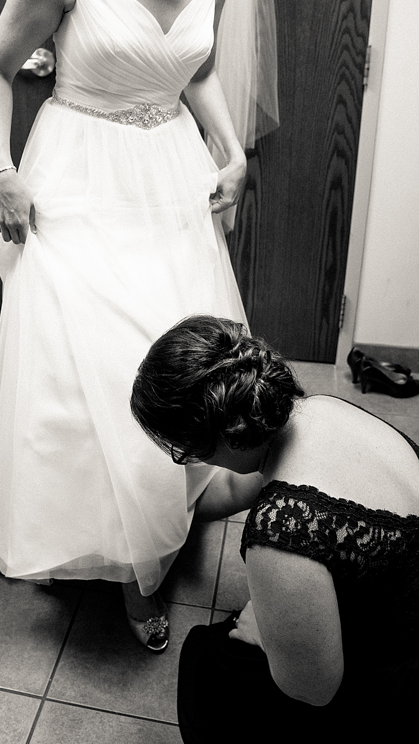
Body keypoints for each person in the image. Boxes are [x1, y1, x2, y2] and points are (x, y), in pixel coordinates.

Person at [0, 0, 251, 651]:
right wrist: (2, 170)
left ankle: (152, 543)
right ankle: (116, 555)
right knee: (93, 376)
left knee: (177, 376)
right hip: (77, 182)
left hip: (170, 181)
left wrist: (232, 149)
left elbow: (191, 67)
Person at [130, 315, 419, 736]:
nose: (192, 461)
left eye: (186, 452)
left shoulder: (280, 533)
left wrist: (264, 633)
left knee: (209, 668)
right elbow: (237, 485)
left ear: (222, 439)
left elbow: (313, 690)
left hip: (401, 678)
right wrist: (156, 519)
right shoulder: (319, 409)